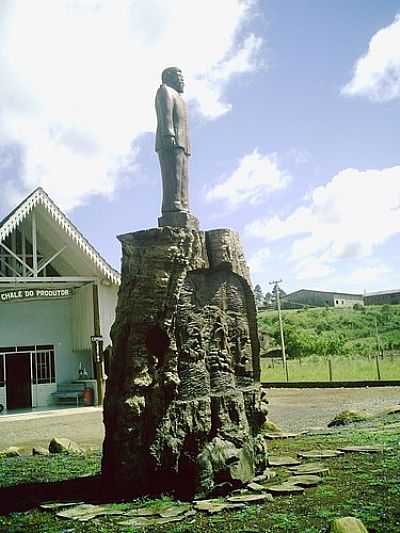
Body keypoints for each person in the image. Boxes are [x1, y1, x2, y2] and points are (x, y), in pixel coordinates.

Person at [155, 67, 191, 215]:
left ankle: (183, 202)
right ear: (169, 78)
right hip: (171, 139)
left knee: (183, 176)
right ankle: (173, 203)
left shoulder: (180, 98)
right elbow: (166, 113)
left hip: (182, 142)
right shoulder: (165, 90)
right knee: (172, 175)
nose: (182, 81)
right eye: (179, 78)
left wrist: (187, 144)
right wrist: (168, 134)